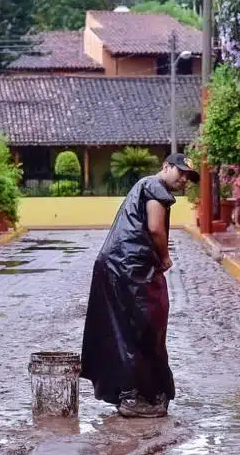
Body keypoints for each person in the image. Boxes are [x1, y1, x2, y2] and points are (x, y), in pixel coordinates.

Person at [80, 153, 199, 418]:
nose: (183, 179)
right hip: (129, 268)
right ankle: (134, 396)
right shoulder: (155, 187)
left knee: (125, 330)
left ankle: (132, 394)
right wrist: (166, 257)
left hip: (119, 266)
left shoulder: (146, 186)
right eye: (179, 172)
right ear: (165, 166)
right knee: (142, 329)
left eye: (187, 177)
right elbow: (156, 228)